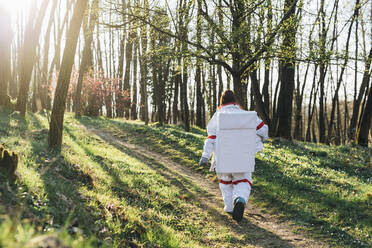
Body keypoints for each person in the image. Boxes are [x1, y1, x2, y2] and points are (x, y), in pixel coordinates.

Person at [199, 90, 268, 222]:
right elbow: (264, 130)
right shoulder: (247, 116)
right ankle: (240, 199)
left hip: (223, 159)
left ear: (222, 102)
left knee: (225, 183)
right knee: (243, 181)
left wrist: (205, 156)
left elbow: (211, 139)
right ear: (235, 101)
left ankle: (230, 207)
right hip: (243, 157)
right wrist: (258, 137)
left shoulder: (217, 116)